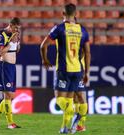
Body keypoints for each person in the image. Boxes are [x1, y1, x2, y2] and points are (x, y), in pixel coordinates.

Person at [40, 3, 91, 134]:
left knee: (59, 100)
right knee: (71, 99)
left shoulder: (59, 28)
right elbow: (88, 53)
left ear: (63, 14)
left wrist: (45, 60)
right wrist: (87, 72)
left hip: (63, 70)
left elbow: (43, 45)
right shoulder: (83, 30)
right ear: (76, 14)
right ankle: (65, 127)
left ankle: (74, 113)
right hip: (78, 70)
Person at [0, 17, 21, 129]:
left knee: (11, 95)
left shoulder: (15, 34)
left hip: (12, 67)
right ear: (10, 25)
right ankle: (10, 123)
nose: (16, 30)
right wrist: (10, 42)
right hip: (4, 66)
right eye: (15, 28)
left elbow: (17, 50)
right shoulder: (1, 35)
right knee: (7, 95)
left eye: (18, 28)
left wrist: (17, 42)